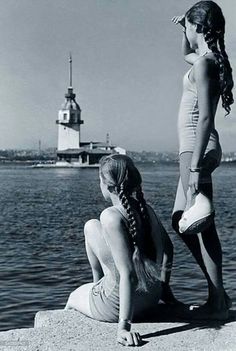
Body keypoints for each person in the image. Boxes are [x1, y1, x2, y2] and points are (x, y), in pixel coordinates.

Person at [65, 154, 177, 346]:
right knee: (92, 225)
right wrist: (165, 292)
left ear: (108, 186)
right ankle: (98, 284)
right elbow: (169, 249)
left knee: (72, 299)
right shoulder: (146, 209)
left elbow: (129, 275)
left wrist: (123, 327)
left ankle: (96, 289)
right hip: (151, 298)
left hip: (117, 306)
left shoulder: (110, 216)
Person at [171, 1, 233, 320]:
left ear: (200, 27)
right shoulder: (204, 62)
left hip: (196, 147)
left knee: (203, 228)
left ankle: (217, 299)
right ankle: (217, 294)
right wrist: (184, 28)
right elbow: (185, 54)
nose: (188, 32)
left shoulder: (207, 64)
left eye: (191, 27)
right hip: (194, 148)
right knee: (181, 222)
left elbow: (206, 117)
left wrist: (194, 166)